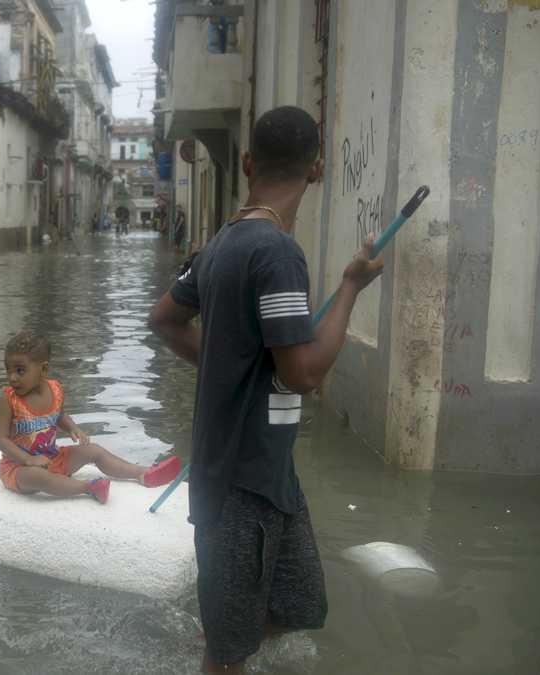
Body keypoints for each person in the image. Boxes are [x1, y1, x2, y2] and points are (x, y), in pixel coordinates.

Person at [147, 106, 384, 673]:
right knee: (228, 655)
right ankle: (219, 643)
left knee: (300, 607)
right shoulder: (277, 254)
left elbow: (163, 320)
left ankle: (219, 628)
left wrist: (228, 364)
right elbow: (302, 373)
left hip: (272, 478)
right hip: (240, 483)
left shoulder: (221, 243)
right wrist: (351, 287)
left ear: (248, 163)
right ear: (318, 169)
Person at [0, 329, 181, 503]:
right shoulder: (9, 400)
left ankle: (142, 473)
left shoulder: (55, 390)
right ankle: (88, 488)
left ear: (43, 369)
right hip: (19, 468)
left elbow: (59, 415)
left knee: (94, 450)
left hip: (53, 458)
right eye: (8, 369)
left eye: (20, 370)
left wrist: (73, 428)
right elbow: (0, 439)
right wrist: (28, 460)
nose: (12, 377)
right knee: (38, 476)